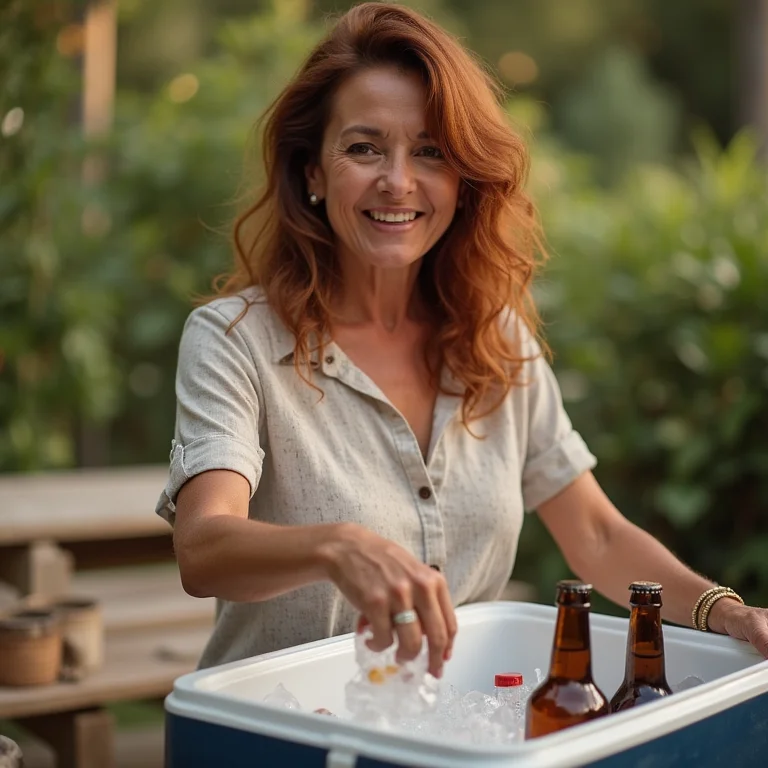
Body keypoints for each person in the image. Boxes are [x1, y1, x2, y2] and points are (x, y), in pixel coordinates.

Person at [156, 2, 768, 676]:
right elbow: (204, 549)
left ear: (461, 178)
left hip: (456, 722)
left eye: (430, 152)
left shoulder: (496, 340)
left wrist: (728, 612)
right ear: (312, 171)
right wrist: (336, 546)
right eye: (364, 147)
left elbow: (596, 534)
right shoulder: (234, 341)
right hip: (281, 728)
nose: (398, 181)